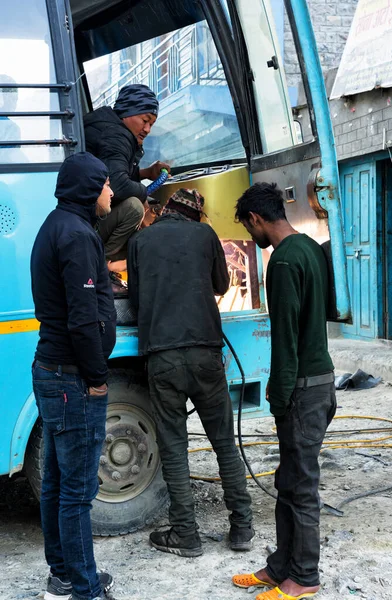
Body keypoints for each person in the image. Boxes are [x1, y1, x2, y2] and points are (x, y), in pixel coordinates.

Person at [128, 188, 254, 557]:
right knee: (223, 442)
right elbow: (221, 285)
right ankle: (242, 528)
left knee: (174, 447)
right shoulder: (205, 235)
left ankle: (186, 534)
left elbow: (135, 300)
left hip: (162, 356)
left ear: (165, 209)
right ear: (195, 215)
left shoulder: (140, 240)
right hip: (205, 354)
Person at [232, 182, 336, 600]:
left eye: (247, 227)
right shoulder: (310, 248)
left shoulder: (283, 262)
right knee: (289, 479)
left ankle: (304, 577)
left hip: (303, 388)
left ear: (256, 219)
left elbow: (286, 339)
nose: (251, 238)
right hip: (318, 382)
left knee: (302, 485)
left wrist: (278, 397)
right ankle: (280, 566)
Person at [31, 152, 117, 600]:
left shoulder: (55, 225)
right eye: (105, 184)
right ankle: (86, 590)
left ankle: (63, 574)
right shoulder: (77, 235)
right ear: (88, 188)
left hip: (52, 371)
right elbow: (84, 320)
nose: (112, 192)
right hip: (72, 380)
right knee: (78, 493)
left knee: (57, 483)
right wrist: (97, 376)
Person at [84, 83, 170, 274]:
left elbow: (112, 170)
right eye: (144, 120)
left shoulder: (109, 127)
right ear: (128, 111)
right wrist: (145, 198)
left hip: (85, 219)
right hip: (87, 222)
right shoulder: (115, 135)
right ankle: (98, 269)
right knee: (134, 208)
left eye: (151, 124)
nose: (147, 129)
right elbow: (118, 185)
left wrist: (145, 173)